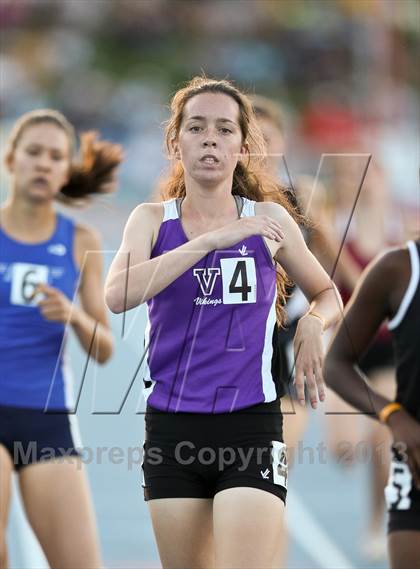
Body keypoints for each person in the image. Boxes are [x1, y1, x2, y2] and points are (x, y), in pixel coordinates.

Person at [105, 76, 342, 569]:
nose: (210, 138)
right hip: (172, 428)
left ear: (242, 144)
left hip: (251, 424)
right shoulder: (151, 221)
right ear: (176, 142)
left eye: (223, 128)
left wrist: (314, 323)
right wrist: (210, 241)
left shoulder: (270, 219)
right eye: (196, 127)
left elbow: (327, 292)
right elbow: (117, 294)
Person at [0, 109, 122, 568]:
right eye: (34, 152)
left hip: (46, 416)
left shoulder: (80, 241)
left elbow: (104, 349)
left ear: (65, 170)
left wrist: (73, 315)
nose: (43, 164)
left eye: (55, 156)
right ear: (12, 160)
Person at [325, 239, 420, 569]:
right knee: (347, 449)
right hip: (415, 469)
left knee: (377, 447)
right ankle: (374, 522)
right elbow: (335, 364)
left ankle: (373, 521)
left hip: (385, 362)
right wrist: (393, 416)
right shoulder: (399, 268)